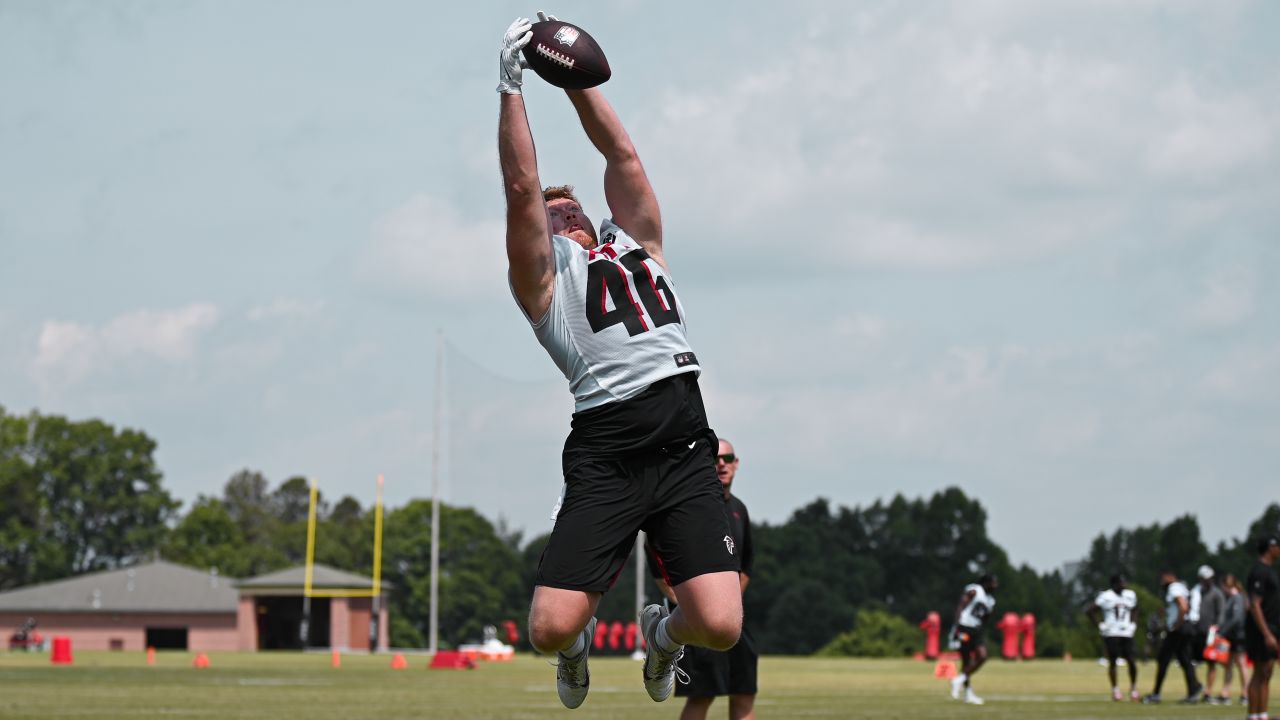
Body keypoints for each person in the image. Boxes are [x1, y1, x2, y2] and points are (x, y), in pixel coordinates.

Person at [496, 14, 742, 709]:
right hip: (608, 453)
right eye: (555, 218)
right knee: (547, 630)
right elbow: (522, 190)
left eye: (572, 209)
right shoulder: (543, 287)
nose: (566, 217)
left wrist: (570, 79)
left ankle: (661, 636)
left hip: (685, 443)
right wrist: (512, 85)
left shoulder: (640, 244)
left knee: (720, 627)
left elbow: (623, 158)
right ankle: (575, 650)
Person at [650, 438, 757, 720]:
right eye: (715, 458)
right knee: (703, 696)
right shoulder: (690, 510)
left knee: (745, 693)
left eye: (728, 458)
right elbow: (659, 570)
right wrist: (694, 608)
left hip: (735, 620)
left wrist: (730, 605)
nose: (721, 464)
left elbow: (745, 567)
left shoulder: (740, 510)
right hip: (694, 621)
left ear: (736, 463)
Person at [1142, 569, 1204, 704]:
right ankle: (1194, 688)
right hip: (1186, 627)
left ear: (1169, 577)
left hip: (1179, 629)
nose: (1161, 581)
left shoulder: (1174, 587)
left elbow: (1182, 606)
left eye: (1163, 578)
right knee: (1184, 659)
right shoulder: (1182, 586)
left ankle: (1156, 694)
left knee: (1163, 659)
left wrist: (1177, 625)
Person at [1087, 573, 1140, 701]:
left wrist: (1133, 623)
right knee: (1113, 662)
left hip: (1126, 632)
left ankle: (1133, 688)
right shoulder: (1106, 596)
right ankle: (1115, 689)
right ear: (1114, 584)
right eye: (1120, 583)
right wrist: (1100, 625)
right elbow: (1090, 611)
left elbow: (1136, 609)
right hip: (1111, 633)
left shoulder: (1130, 595)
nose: (1123, 586)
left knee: (1131, 660)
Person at [1245, 535, 1280, 720]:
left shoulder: (1270, 570)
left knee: (1267, 672)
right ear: (1270, 547)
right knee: (1259, 672)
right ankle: (1253, 715)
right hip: (1261, 630)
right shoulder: (1259, 571)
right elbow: (1255, 604)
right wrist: (1266, 634)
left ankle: (1262, 714)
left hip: (1272, 628)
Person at [950, 574, 998, 705]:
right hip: (965, 627)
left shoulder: (991, 601)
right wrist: (957, 627)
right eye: (994, 583)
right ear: (987, 583)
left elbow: (985, 619)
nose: (996, 586)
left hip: (976, 630)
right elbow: (961, 605)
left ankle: (959, 679)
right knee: (966, 661)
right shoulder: (975, 590)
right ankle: (968, 693)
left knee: (982, 656)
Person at [1192, 565, 1225, 703]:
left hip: (1211, 634)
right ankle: (1195, 687)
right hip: (1196, 632)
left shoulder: (1217, 593)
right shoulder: (1196, 592)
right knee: (1191, 662)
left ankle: (1208, 692)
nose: (1207, 581)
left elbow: (1221, 613)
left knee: (1212, 663)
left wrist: (1217, 627)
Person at [1219, 573, 1251, 706]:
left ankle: (1246, 693)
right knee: (1229, 665)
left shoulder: (1237, 598)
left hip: (1238, 636)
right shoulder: (1232, 598)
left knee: (1241, 664)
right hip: (1231, 636)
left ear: (1227, 586)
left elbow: (1236, 619)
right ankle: (1225, 693)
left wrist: (1223, 631)